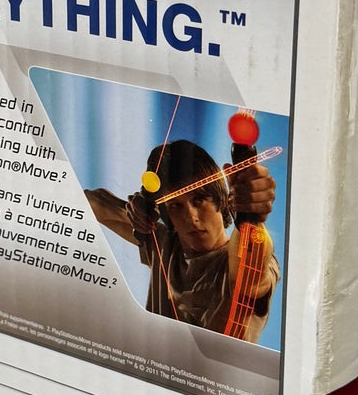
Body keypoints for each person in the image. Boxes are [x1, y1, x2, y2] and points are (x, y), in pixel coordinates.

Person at [86, 137, 277, 342]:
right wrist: (132, 212)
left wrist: (249, 218)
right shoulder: (164, 245)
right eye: (176, 206)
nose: (191, 217)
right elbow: (89, 202)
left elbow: (250, 271)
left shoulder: (238, 261)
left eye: (199, 200)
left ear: (219, 199)